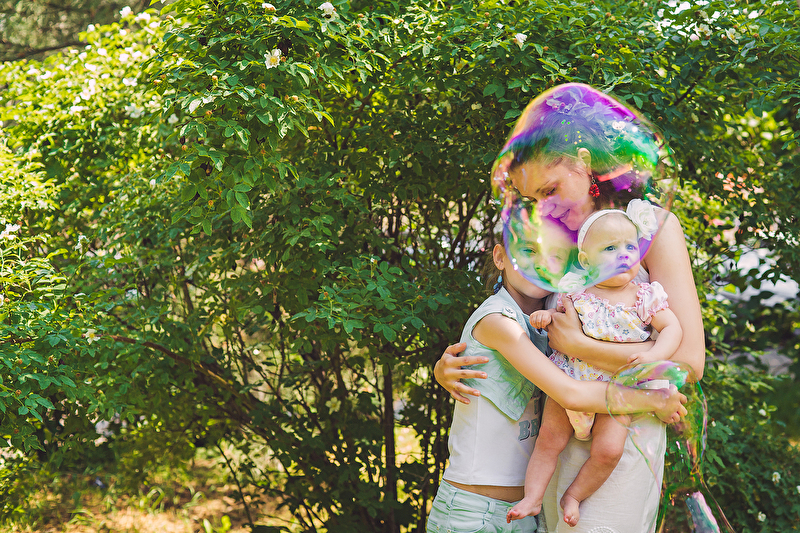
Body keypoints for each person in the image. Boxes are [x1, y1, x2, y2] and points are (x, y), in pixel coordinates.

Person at [435, 83, 705, 533]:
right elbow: (515, 329)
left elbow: (689, 361)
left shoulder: (652, 229)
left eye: (550, 189)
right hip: (553, 439)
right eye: (533, 199)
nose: (544, 208)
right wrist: (451, 367)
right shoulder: (552, 243)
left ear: (582, 163)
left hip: (622, 436)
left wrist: (581, 346)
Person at [426, 240, 686, 533]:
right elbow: (570, 393)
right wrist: (653, 400)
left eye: (555, 256)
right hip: (472, 510)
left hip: (521, 512)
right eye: (528, 250)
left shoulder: (549, 323)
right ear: (499, 257)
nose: (542, 263)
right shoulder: (498, 320)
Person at [506, 207, 682, 527]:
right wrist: (546, 317)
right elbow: (559, 321)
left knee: (610, 450)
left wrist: (656, 354)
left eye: (630, 246)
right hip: (571, 379)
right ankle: (532, 497)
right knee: (548, 441)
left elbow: (673, 329)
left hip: (617, 391)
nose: (624, 254)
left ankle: (574, 495)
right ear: (586, 261)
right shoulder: (577, 292)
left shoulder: (644, 296)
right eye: (610, 248)